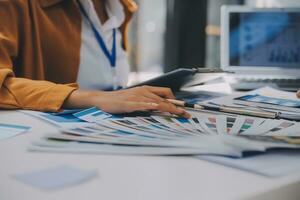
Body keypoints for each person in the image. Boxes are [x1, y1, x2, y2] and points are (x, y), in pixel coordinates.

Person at [0, 0, 190, 118]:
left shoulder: (121, 7)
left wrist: (132, 98)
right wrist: (96, 98)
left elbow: (110, 82)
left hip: (109, 128)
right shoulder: (17, 5)